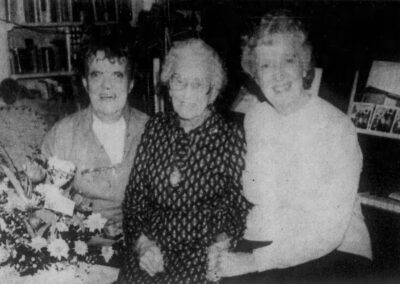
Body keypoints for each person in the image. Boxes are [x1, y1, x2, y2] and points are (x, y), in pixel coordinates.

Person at [215, 10, 372, 283]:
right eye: (265, 66)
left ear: (303, 66)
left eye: (287, 60)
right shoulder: (256, 118)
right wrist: (224, 240)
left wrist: (251, 261)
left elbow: (327, 232)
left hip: (335, 253)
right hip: (271, 245)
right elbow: (254, 198)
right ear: (255, 76)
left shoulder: (336, 127)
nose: (277, 75)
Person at [117, 38, 251, 284]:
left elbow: (237, 207)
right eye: (179, 81)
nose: (187, 93)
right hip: (151, 252)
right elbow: (134, 199)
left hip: (201, 255)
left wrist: (221, 242)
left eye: (198, 84)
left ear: (212, 91)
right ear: (169, 85)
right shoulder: (155, 128)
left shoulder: (230, 137)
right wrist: (142, 244)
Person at [41, 31, 148, 238]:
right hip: (83, 247)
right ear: (85, 82)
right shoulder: (62, 135)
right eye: (96, 75)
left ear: (131, 83)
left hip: (145, 247)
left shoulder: (152, 131)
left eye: (117, 75)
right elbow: (47, 200)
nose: (106, 86)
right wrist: (89, 226)